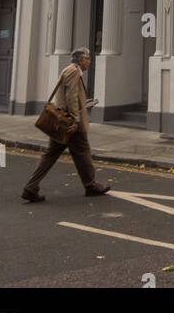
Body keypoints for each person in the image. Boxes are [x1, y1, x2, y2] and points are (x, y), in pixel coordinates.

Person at [21, 47, 110, 202]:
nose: (89, 61)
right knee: (83, 153)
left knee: (52, 154)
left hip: (63, 122)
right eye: (88, 58)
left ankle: (31, 187)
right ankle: (90, 185)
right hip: (69, 123)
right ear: (81, 60)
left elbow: (72, 95)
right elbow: (71, 96)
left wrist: (85, 103)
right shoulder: (74, 71)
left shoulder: (70, 70)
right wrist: (76, 118)